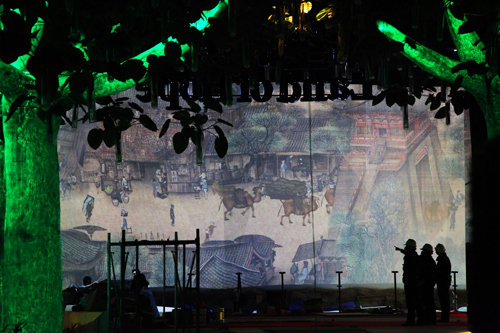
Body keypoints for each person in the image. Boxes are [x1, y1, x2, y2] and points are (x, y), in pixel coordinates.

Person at [397, 238, 424, 326]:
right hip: (412, 282)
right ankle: (420, 320)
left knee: (411, 302)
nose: (406, 248)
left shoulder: (411, 257)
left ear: (410, 247)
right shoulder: (413, 256)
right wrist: (400, 250)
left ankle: (411, 321)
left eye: (407, 246)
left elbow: (414, 270)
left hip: (411, 283)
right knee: (416, 302)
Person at [419, 243, 437, 325]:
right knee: (429, 302)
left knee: (427, 302)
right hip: (428, 284)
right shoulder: (430, 261)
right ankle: (431, 319)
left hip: (426, 284)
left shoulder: (426, 261)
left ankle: (428, 319)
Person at [435, 243, 452, 323]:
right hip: (444, 282)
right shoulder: (444, 259)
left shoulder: (442, 260)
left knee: (444, 300)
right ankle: (445, 317)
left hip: (442, 282)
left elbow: (441, 272)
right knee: (444, 300)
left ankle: (445, 317)